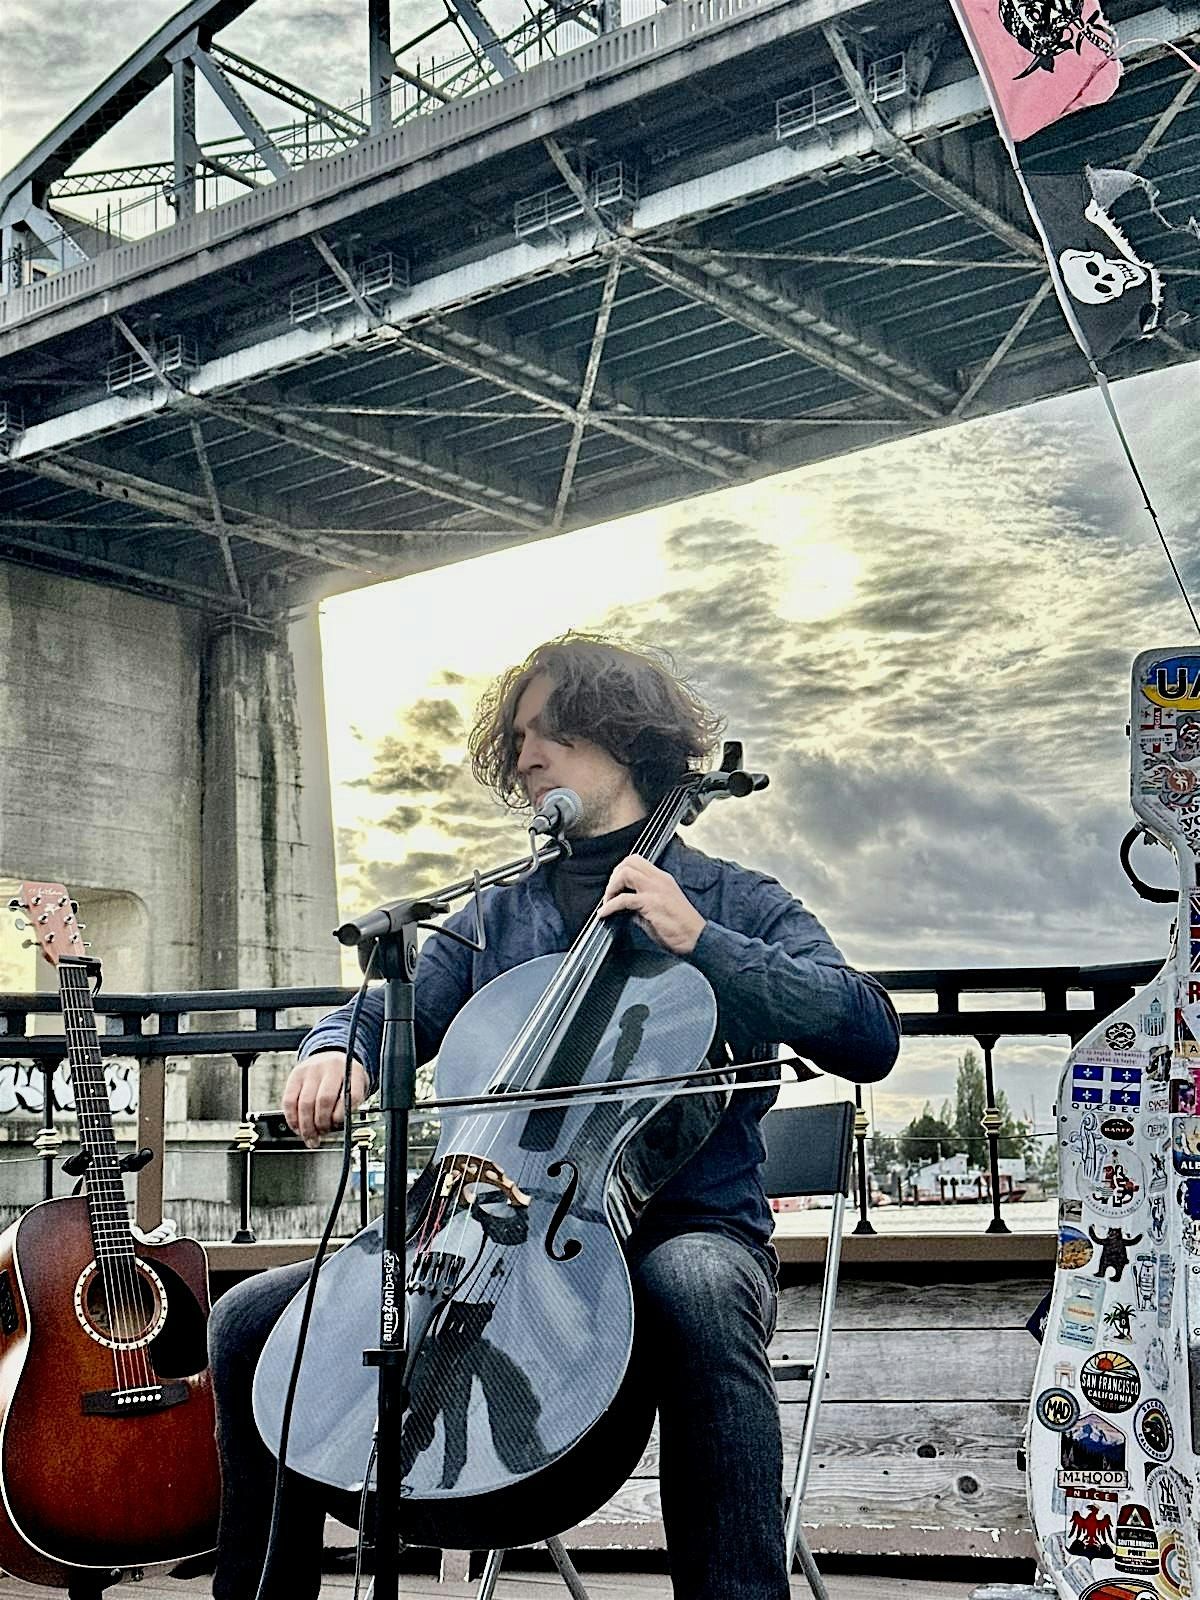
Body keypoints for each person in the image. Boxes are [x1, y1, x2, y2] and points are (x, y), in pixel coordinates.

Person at [208, 634, 900, 1600]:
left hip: (684, 1226)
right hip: (481, 1226)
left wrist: (702, 942)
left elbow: (867, 1031)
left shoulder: (735, 900)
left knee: (695, 1288)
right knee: (248, 1321)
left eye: (555, 735)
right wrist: (343, 1046)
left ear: (627, 744)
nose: (527, 757)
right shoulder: (492, 915)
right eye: (520, 738)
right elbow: (385, 1005)